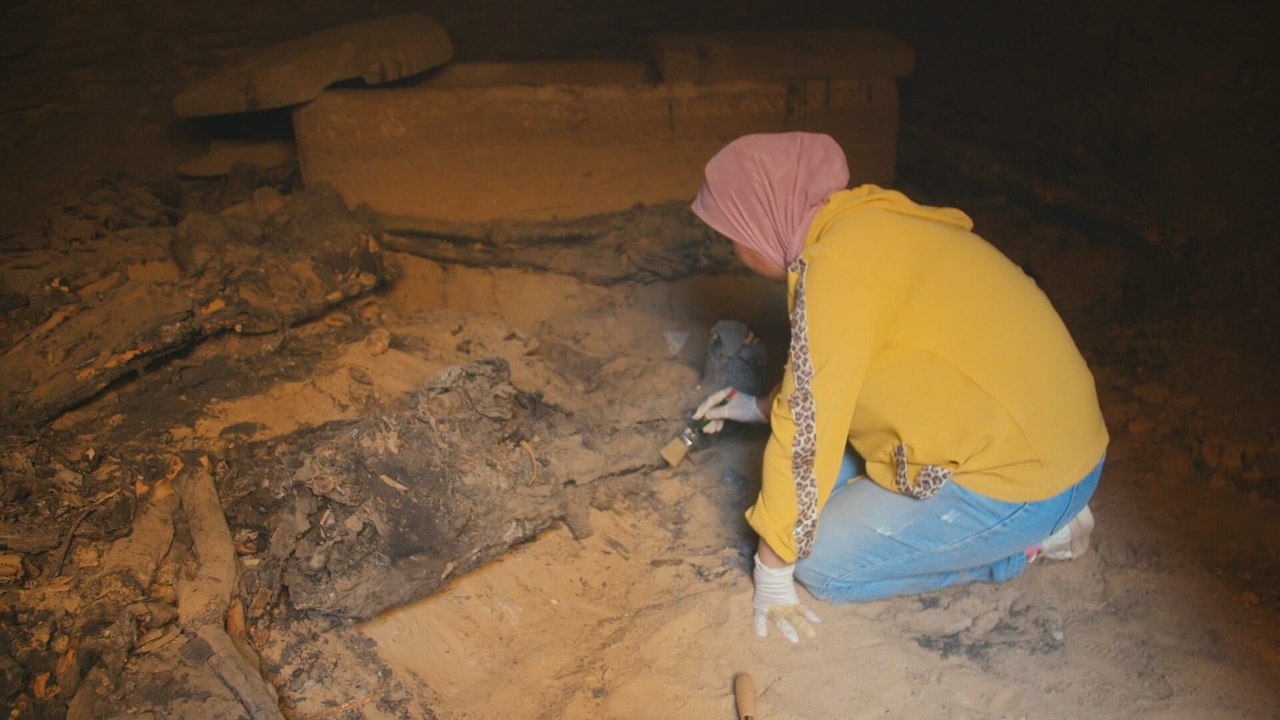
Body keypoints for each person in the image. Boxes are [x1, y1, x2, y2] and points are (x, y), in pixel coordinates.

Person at [689, 132, 1108, 644]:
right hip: (1055, 437)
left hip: (1030, 478)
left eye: (731, 232)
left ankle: (1025, 548)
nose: (732, 249)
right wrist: (755, 407)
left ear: (763, 217)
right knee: (813, 496)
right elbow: (829, 370)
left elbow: (809, 424)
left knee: (821, 564)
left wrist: (774, 571)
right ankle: (1028, 519)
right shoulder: (865, 224)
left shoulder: (836, 270)